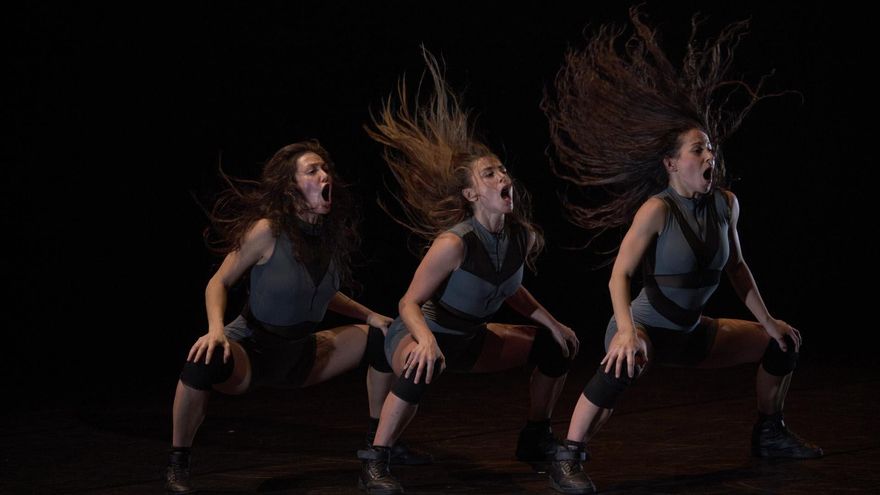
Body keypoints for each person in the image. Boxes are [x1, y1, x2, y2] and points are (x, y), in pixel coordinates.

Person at [541, 7, 823, 494]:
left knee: (783, 342)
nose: (708, 156)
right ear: (672, 164)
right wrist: (627, 331)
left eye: (710, 148)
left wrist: (769, 319)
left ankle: (769, 434)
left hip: (692, 333)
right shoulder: (657, 210)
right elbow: (619, 276)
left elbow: (737, 268)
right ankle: (568, 456)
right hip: (647, 326)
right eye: (698, 149)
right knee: (623, 363)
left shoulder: (726, 204)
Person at [355, 49, 581, 495]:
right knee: (420, 366)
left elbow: (511, 291)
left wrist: (552, 322)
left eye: (502, 170)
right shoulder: (454, 242)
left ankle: (536, 438)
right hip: (423, 331)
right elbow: (408, 302)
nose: (502, 177)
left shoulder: (522, 238)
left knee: (557, 348)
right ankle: (375, 461)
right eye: (489, 173)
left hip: (471, 339)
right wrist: (423, 338)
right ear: (471, 194)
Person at [165, 140, 430, 494]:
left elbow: (320, 292)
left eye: (325, 169)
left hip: (303, 354)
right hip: (254, 350)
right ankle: (178, 465)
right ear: (291, 188)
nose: (324, 175)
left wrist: (370, 316)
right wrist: (215, 330)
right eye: (312, 170)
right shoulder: (267, 231)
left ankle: (377, 449)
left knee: (382, 338)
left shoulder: (328, 236)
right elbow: (219, 282)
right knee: (203, 358)